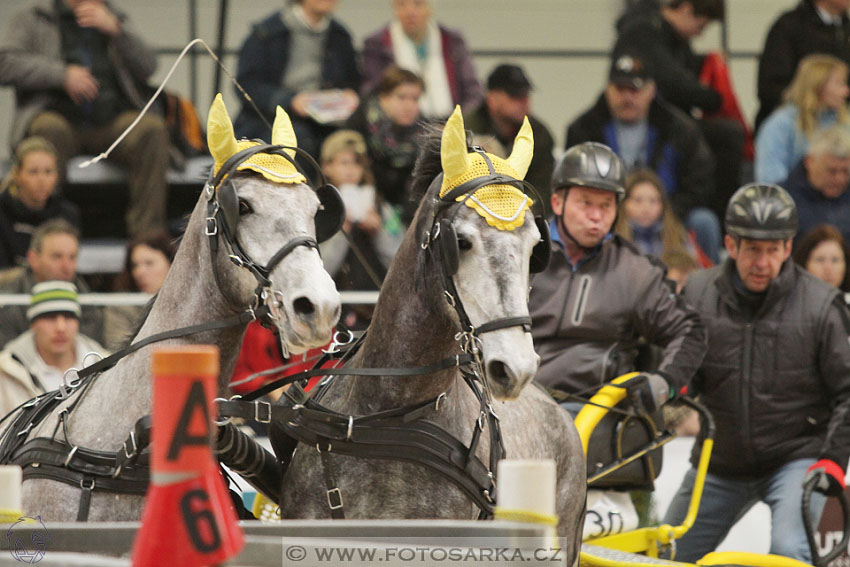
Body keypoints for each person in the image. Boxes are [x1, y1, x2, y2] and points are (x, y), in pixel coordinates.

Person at [662, 183, 850, 564]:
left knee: (788, 551)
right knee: (664, 554)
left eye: (772, 250)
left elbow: (847, 393)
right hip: (719, 460)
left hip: (795, 457)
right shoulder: (697, 292)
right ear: (731, 245)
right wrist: (665, 391)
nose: (761, 262)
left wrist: (833, 458)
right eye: (752, 250)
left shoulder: (821, 305)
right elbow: (681, 370)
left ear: (787, 248)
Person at [529, 141, 706, 403]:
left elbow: (690, 331)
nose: (596, 216)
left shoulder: (634, 271)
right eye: (586, 203)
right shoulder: (522, 254)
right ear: (557, 202)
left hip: (590, 408)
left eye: (606, 206)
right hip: (512, 400)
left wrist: (663, 383)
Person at [0, 0, 170, 238]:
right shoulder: (34, 17)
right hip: (58, 117)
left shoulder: (113, 15)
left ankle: (147, 242)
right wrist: (61, 74)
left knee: (151, 129)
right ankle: (49, 235)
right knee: (49, 130)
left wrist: (117, 31)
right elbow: (5, 63)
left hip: (111, 120)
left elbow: (149, 66)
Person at [566, 51, 720, 262]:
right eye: (620, 89)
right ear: (608, 89)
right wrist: (609, 210)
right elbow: (572, 186)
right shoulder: (583, 130)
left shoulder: (681, 128)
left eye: (635, 89)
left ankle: (708, 288)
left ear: (651, 90)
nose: (627, 97)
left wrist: (662, 210)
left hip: (671, 213)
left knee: (704, 221)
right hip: (601, 213)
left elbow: (699, 182)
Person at [614, 0, 744, 222]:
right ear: (686, 9)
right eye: (701, 26)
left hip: (668, 121)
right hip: (655, 123)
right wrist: (714, 98)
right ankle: (723, 219)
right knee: (727, 136)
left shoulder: (668, 37)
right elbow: (673, 82)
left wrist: (709, 62)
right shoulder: (647, 32)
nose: (699, 34)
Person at [232, 0, 361, 158]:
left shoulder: (340, 36)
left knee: (352, 146)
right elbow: (246, 84)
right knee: (296, 140)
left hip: (326, 123)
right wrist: (290, 101)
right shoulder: (268, 32)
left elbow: (353, 82)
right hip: (270, 120)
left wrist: (349, 95)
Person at [0, 280, 107, 417]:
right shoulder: (6, 370)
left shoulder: (105, 365)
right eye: (50, 317)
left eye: (68, 317)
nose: (61, 327)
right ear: (33, 324)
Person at [361, 0, 482, 120]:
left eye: (418, 3)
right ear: (394, 10)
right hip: (399, 129)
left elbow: (472, 91)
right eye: (401, 4)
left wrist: (456, 124)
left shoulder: (452, 40)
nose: (410, 12)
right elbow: (372, 93)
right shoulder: (377, 43)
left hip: (450, 123)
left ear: (430, 8)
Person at [464, 63, 555, 214]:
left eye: (526, 95)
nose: (524, 102)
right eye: (515, 96)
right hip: (475, 211)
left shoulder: (539, 135)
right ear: (492, 99)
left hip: (522, 213)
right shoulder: (467, 130)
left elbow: (542, 190)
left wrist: (521, 213)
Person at [0, 219, 104, 349]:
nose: (66, 266)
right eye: (57, 256)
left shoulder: (89, 305)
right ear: (33, 259)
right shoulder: (6, 301)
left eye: (72, 257)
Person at [345, 65, 426, 223]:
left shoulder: (423, 132)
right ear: (383, 98)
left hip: (401, 213)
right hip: (362, 211)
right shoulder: (357, 129)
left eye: (415, 99)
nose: (409, 106)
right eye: (401, 97)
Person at [756, 0, 850, 132]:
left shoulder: (845, 29)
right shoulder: (788, 26)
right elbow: (771, 87)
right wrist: (812, 103)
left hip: (839, 122)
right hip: (796, 125)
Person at [755, 54, 850, 184]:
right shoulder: (779, 125)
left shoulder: (845, 122)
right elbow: (771, 181)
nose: (846, 91)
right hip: (795, 200)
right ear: (818, 86)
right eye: (839, 83)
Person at [0, 136, 80, 269]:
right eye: (33, 172)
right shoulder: (2, 211)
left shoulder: (68, 214)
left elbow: (69, 267)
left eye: (48, 172)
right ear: (16, 174)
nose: (41, 180)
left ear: (57, 176)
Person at [615, 169, 709, 266]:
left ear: (663, 205)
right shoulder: (613, 239)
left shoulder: (678, 235)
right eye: (638, 200)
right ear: (624, 204)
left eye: (653, 201)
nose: (646, 208)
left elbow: (692, 272)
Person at [102, 230, 176, 350]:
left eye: (149, 263)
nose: (139, 272)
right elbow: (118, 352)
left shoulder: (188, 303)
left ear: (171, 264)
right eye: (135, 265)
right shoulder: (120, 307)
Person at [783, 125, 850, 243]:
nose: (840, 178)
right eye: (832, 171)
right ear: (809, 162)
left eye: (845, 171)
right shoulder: (783, 200)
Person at [793, 223, 850, 304]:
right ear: (804, 263)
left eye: (835, 260)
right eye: (820, 260)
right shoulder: (791, 305)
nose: (828, 268)